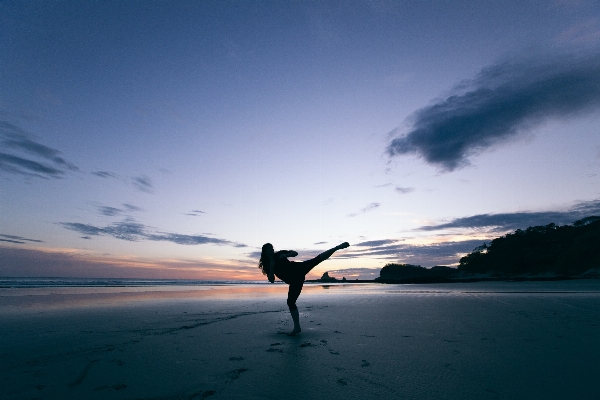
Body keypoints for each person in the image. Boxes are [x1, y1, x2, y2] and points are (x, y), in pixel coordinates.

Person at [259, 242, 350, 336]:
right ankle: (297, 327)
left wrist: (285, 255)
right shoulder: (266, 264)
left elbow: (295, 253)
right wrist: (271, 268)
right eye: (269, 248)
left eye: (272, 248)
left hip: (299, 268)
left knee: (317, 259)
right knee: (290, 302)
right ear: (265, 251)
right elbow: (272, 280)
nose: (272, 250)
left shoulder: (279, 254)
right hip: (295, 280)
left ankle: (337, 247)